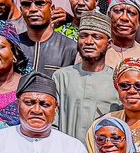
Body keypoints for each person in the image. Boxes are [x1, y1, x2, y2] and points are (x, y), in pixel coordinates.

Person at [50, 12, 119, 146]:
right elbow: (52, 123)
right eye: (83, 36)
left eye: (96, 37)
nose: (88, 41)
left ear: (109, 43)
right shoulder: (61, 77)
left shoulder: (116, 81)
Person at [13, 0, 78, 75]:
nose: (33, 9)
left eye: (40, 3)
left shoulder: (70, 48)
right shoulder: (14, 46)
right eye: (26, 4)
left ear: (52, 8)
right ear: (21, 9)